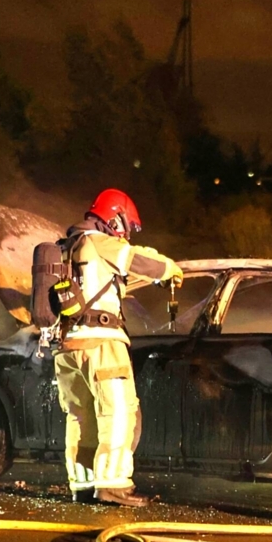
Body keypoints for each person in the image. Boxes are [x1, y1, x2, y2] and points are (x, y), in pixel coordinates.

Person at [54, 188, 182, 507]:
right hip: (103, 343)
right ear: (116, 217)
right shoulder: (100, 243)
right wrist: (172, 270)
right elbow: (142, 261)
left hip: (68, 346)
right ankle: (112, 484)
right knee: (119, 413)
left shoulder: (66, 247)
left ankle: (82, 485)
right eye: (127, 224)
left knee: (80, 417)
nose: (126, 232)